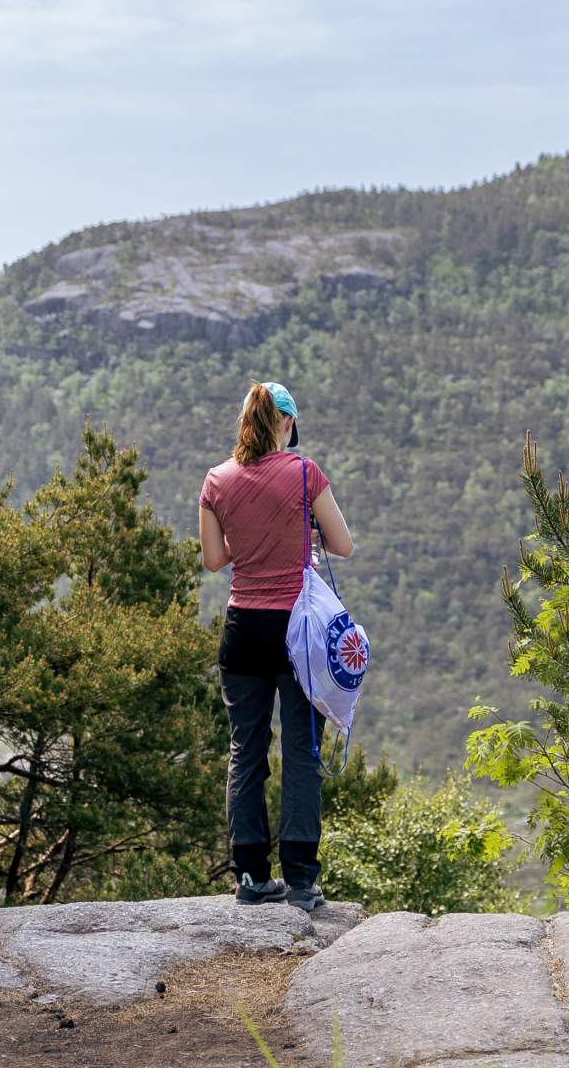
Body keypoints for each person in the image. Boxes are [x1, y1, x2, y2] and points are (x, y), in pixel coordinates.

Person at [198, 381, 354, 911]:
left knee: (246, 752)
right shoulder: (306, 474)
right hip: (297, 634)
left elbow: (214, 560)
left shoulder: (216, 480)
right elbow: (343, 544)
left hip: (243, 630)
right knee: (302, 752)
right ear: (285, 423)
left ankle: (250, 877)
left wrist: (251, 537)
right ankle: (302, 880)